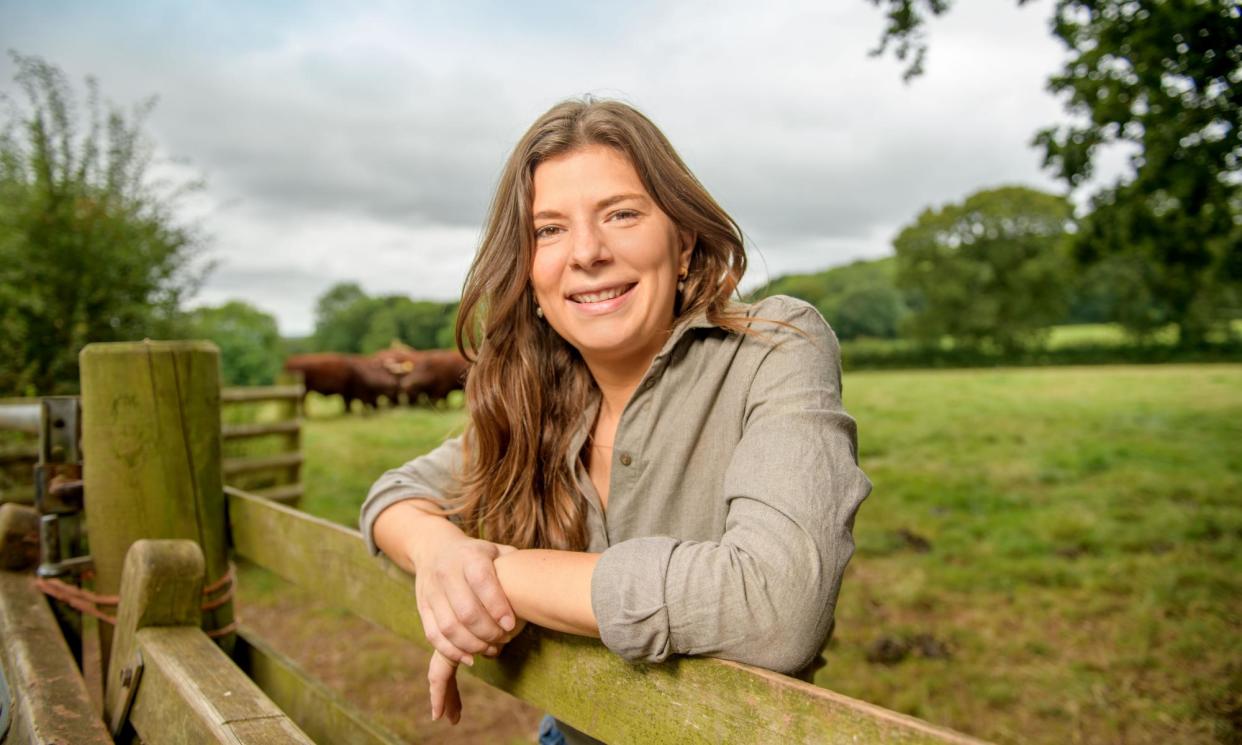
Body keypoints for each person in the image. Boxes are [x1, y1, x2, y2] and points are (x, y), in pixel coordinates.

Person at [360, 97, 872, 745]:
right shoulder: (536, 396)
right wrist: (443, 554)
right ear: (529, 273)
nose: (587, 252)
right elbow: (392, 497)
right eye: (549, 230)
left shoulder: (776, 344)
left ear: (682, 242)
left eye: (621, 214)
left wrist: (503, 576)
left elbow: (777, 607)